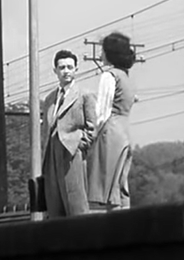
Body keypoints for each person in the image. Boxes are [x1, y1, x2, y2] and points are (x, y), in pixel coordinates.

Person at [40, 50, 97, 218]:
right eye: (62, 67)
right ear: (55, 71)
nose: (66, 71)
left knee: (76, 203)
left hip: (72, 153)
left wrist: (80, 145)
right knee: (54, 205)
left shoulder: (85, 95)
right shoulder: (50, 99)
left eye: (70, 67)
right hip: (52, 154)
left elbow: (93, 127)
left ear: (76, 69)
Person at [87, 32, 137, 211]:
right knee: (121, 184)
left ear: (109, 54)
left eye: (103, 51)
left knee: (106, 188)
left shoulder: (109, 76)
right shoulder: (126, 77)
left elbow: (102, 111)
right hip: (126, 132)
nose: (100, 55)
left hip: (111, 132)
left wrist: (92, 136)